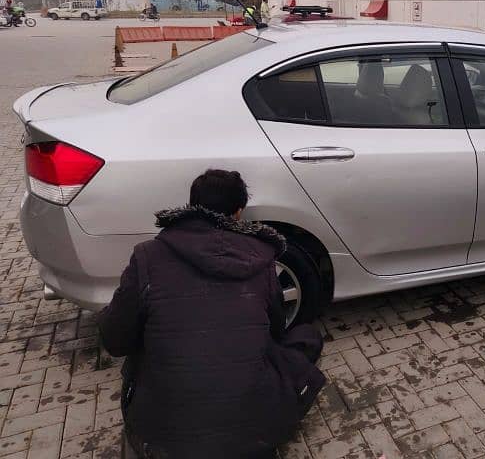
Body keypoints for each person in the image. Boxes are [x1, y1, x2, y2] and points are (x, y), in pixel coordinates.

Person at [98, 169, 325, 459]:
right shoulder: (262, 257)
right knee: (306, 336)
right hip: (255, 434)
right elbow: (276, 333)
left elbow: (114, 341)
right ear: (238, 213)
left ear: (192, 207)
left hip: (160, 439)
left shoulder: (147, 256)